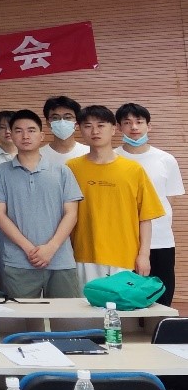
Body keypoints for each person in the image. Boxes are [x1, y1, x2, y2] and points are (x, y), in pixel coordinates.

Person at [0, 109, 83, 298]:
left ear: (41, 135)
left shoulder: (62, 171)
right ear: (11, 135)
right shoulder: (0, 173)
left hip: (60, 259)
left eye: (31, 130)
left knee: (66, 313)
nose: (25, 136)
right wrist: (30, 250)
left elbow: (71, 214)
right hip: (19, 261)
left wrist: (51, 248)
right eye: (18, 130)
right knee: (23, 314)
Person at [67, 105, 165, 283]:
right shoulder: (70, 168)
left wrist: (144, 255)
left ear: (113, 129)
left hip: (125, 257)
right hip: (83, 256)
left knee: (121, 302)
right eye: (88, 126)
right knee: (85, 301)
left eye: (101, 125)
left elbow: (145, 217)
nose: (95, 131)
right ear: (79, 129)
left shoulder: (133, 170)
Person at [116, 102, 185, 306]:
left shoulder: (166, 159)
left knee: (161, 299)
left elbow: (169, 199)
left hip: (160, 240)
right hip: (122, 241)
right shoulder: (113, 158)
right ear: (118, 127)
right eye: (127, 122)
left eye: (139, 122)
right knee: (124, 301)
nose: (134, 127)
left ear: (149, 126)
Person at [41, 96, 89, 166]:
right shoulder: (39, 156)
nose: (62, 122)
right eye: (55, 118)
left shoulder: (88, 153)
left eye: (68, 117)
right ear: (48, 123)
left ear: (77, 122)